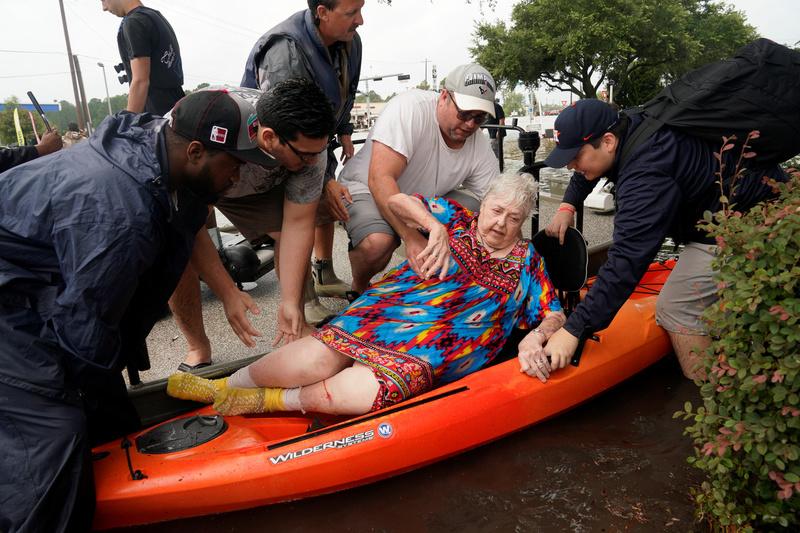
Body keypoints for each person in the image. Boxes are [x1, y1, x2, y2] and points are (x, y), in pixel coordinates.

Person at [0, 89, 274, 532]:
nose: (238, 177)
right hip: (10, 301)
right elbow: (82, 327)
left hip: (38, 285)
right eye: (235, 164)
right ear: (196, 150)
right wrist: (78, 389)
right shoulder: (117, 211)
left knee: (114, 420)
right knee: (55, 436)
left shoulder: (160, 150)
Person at [167, 171, 566, 416]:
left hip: (443, 343)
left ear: (523, 222)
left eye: (514, 218)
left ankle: (262, 402)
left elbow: (553, 311)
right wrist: (434, 225)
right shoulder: (457, 218)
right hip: (394, 309)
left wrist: (536, 334)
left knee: (369, 388)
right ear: (485, 204)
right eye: (496, 210)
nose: (500, 223)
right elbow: (395, 200)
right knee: (316, 358)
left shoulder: (527, 260)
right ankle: (225, 387)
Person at [541, 99, 788, 380]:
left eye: (575, 156)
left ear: (608, 141)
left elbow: (626, 261)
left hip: (746, 218)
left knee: (676, 307)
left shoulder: (645, 174)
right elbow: (588, 167)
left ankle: (716, 405)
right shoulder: (630, 124)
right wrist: (567, 205)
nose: (572, 165)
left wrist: (574, 329)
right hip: (751, 193)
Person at [168, 79, 336, 371]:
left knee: (287, 236)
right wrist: (228, 293)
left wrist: (289, 303)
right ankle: (197, 346)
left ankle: (295, 321)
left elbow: (298, 224)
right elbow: (190, 229)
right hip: (206, 174)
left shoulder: (310, 148)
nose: (313, 162)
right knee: (176, 253)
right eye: (306, 155)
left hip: (257, 185)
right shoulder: (213, 134)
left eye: (317, 153)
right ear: (269, 137)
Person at [242, 0, 364, 322]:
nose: (361, 20)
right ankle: (301, 296)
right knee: (299, 212)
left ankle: (323, 272)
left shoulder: (351, 41)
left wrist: (345, 131)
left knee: (328, 197)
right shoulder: (285, 51)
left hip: (317, 136)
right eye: (352, 13)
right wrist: (324, 178)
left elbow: (345, 93)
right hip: (282, 145)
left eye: (361, 9)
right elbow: (292, 131)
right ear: (322, 12)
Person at [338, 63, 500, 294]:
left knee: (480, 216)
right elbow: (380, 179)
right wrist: (411, 237)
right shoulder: (410, 109)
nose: (470, 125)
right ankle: (360, 286)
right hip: (367, 188)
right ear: (444, 96)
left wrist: (519, 259)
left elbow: (498, 201)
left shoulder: (479, 142)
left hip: (422, 197)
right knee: (379, 242)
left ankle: (456, 284)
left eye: (480, 118)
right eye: (464, 114)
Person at [102, 0, 185, 115]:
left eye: (103, 0)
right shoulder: (156, 16)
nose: (104, 8)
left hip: (157, 118)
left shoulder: (134, 22)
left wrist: (128, 124)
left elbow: (140, 81)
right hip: (178, 109)